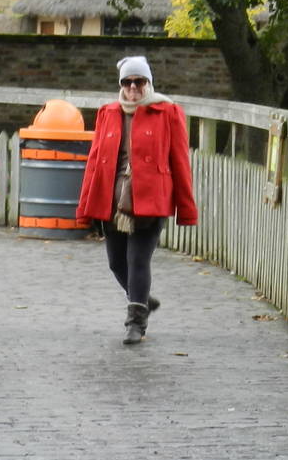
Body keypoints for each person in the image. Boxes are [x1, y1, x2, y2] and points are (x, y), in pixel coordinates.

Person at [76, 55, 199, 345]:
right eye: (127, 82)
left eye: (139, 82)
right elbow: (95, 161)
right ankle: (142, 298)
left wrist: (186, 209)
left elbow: (180, 160)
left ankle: (136, 322)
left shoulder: (168, 111)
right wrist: (86, 205)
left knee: (137, 260)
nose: (133, 88)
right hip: (113, 199)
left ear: (149, 83)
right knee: (116, 263)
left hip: (150, 199)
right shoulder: (108, 112)